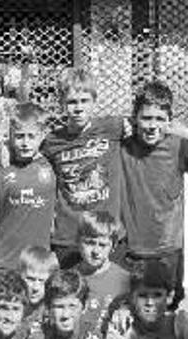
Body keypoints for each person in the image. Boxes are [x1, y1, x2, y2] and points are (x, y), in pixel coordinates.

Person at [119, 80, 188, 309]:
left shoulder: (180, 146)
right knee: (131, 311)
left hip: (168, 250)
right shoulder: (122, 147)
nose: (153, 125)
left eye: (160, 119)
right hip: (131, 249)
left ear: (169, 121)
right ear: (134, 118)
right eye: (146, 118)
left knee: (167, 311)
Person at [40, 68, 125, 268]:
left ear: (95, 101)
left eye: (84, 101)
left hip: (105, 235)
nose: (78, 108)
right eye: (72, 102)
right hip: (69, 236)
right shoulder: (52, 141)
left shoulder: (112, 128)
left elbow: (156, 121)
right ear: (61, 103)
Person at [0, 102, 56, 279]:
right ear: (10, 135)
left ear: (42, 136)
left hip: (39, 263)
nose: (25, 143)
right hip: (6, 261)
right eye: (19, 136)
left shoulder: (52, 164)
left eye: (31, 136)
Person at [72, 211, 129, 317]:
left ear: (113, 247)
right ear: (78, 241)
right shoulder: (69, 279)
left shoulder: (124, 281)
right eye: (90, 243)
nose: (96, 251)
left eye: (102, 245)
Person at [16, 246, 60, 327]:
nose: (35, 288)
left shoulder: (53, 313)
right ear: (20, 276)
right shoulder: (11, 307)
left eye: (42, 281)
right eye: (30, 279)